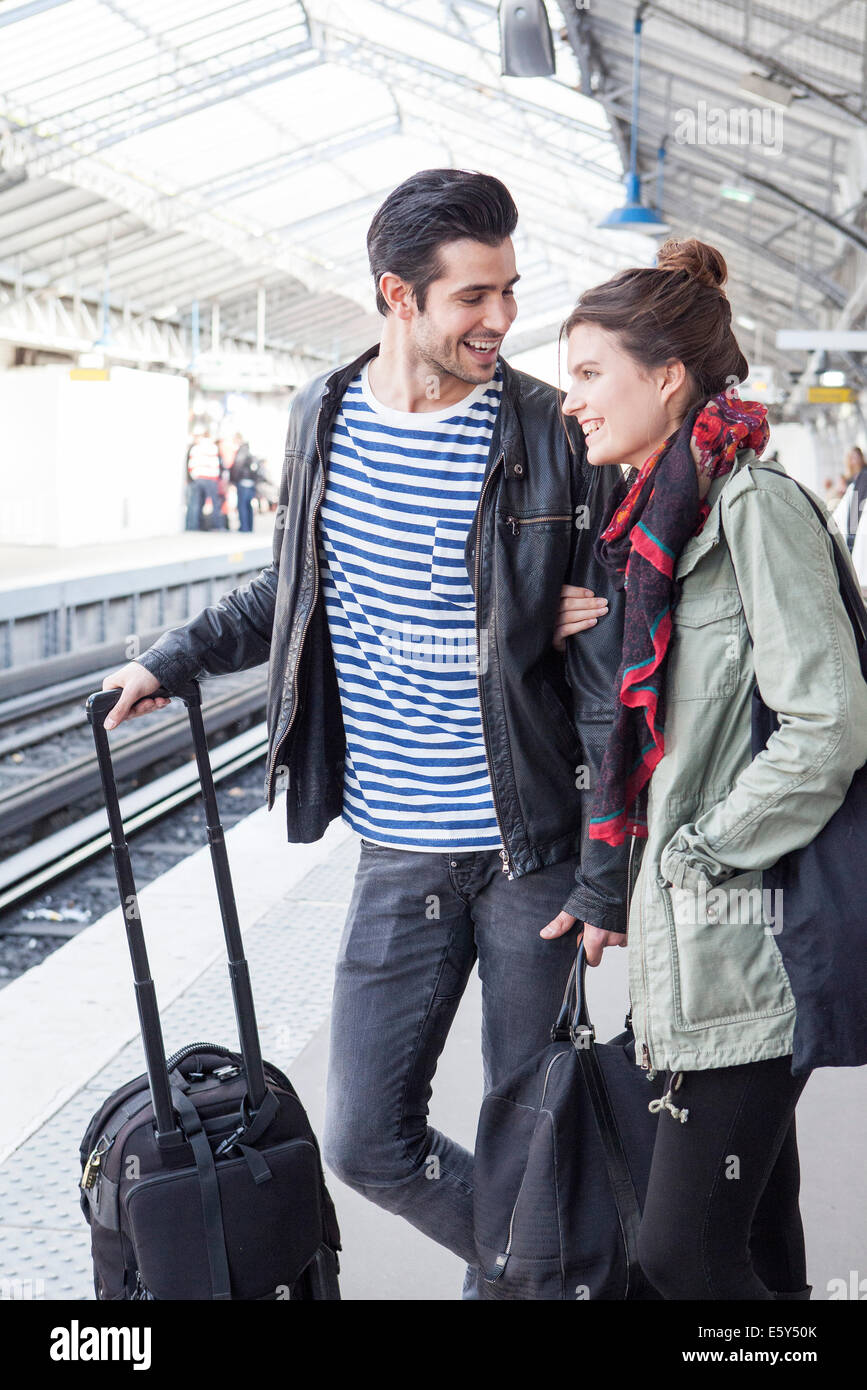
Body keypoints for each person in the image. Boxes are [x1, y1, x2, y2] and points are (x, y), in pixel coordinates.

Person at [99, 168, 630, 1298]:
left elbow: (604, 660)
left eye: (509, 291)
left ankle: (542, 1272)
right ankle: (551, 1269)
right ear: (399, 296)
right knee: (363, 1140)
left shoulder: (545, 427)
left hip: (532, 842)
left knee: (530, 1130)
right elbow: (289, 594)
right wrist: (171, 657)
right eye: (473, 296)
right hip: (401, 845)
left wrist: (604, 867)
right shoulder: (323, 418)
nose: (501, 319)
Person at [551, 237, 867, 1300]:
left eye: (590, 372)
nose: (571, 400)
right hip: (694, 950)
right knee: (754, 1239)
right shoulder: (656, 531)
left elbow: (828, 723)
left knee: (679, 1255)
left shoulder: (752, 511)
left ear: (667, 376)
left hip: (747, 947)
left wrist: (697, 852)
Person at [832, 445, 867, 553]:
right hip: (850, 524)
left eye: (856, 457)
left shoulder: (864, 476)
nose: (854, 461)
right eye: (851, 458)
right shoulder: (848, 481)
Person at [185, 429, 222, 530]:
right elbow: (216, 464)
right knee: (215, 503)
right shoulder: (213, 448)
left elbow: (191, 464)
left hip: (198, 478)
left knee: (195, 503)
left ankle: (193, 527)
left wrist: (194, 476)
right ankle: (217, 526)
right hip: (211, 478)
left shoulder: (195, 448)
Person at [229, 433, 260, 533]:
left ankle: (244, 527)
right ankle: (249, 527)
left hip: (243, 482)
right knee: (248, 505)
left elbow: (237, 466)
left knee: (242, 505)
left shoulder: (242, 451)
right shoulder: (250, 452)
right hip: (251, 483)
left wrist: (233, 479)